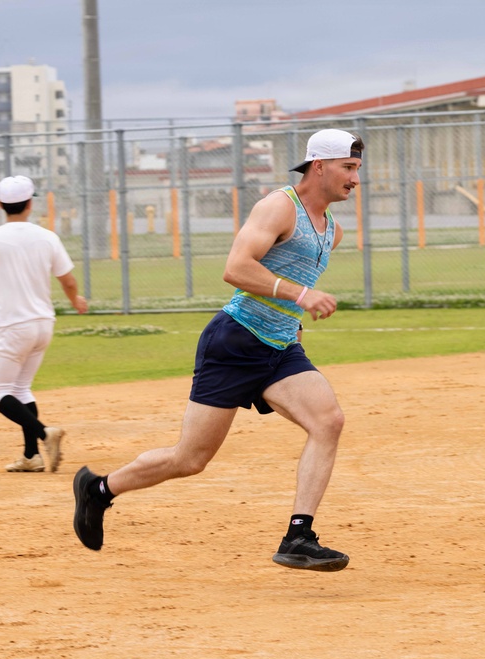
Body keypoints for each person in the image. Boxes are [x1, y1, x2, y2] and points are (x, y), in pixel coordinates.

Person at [72, 128, 363, 573]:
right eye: (348, 167)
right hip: (236, 341)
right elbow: (236, 268)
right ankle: (98, 490)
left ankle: (298, 536)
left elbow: (288, 283)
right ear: (319, 166)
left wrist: (295, 321)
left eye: (357, 169)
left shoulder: (332, 231)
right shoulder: (279, 206)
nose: (355, 179)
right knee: (190, 460)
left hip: (281, 347)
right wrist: (302, 295)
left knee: (329, 421)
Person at [0, 175, 88, 472]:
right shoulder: (47, 237)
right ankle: (31, 456)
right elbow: (68, 280)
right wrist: (75, 300)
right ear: (30, 204)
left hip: (13, 326)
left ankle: (45, 434)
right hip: (43, 323)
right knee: (20, 388)